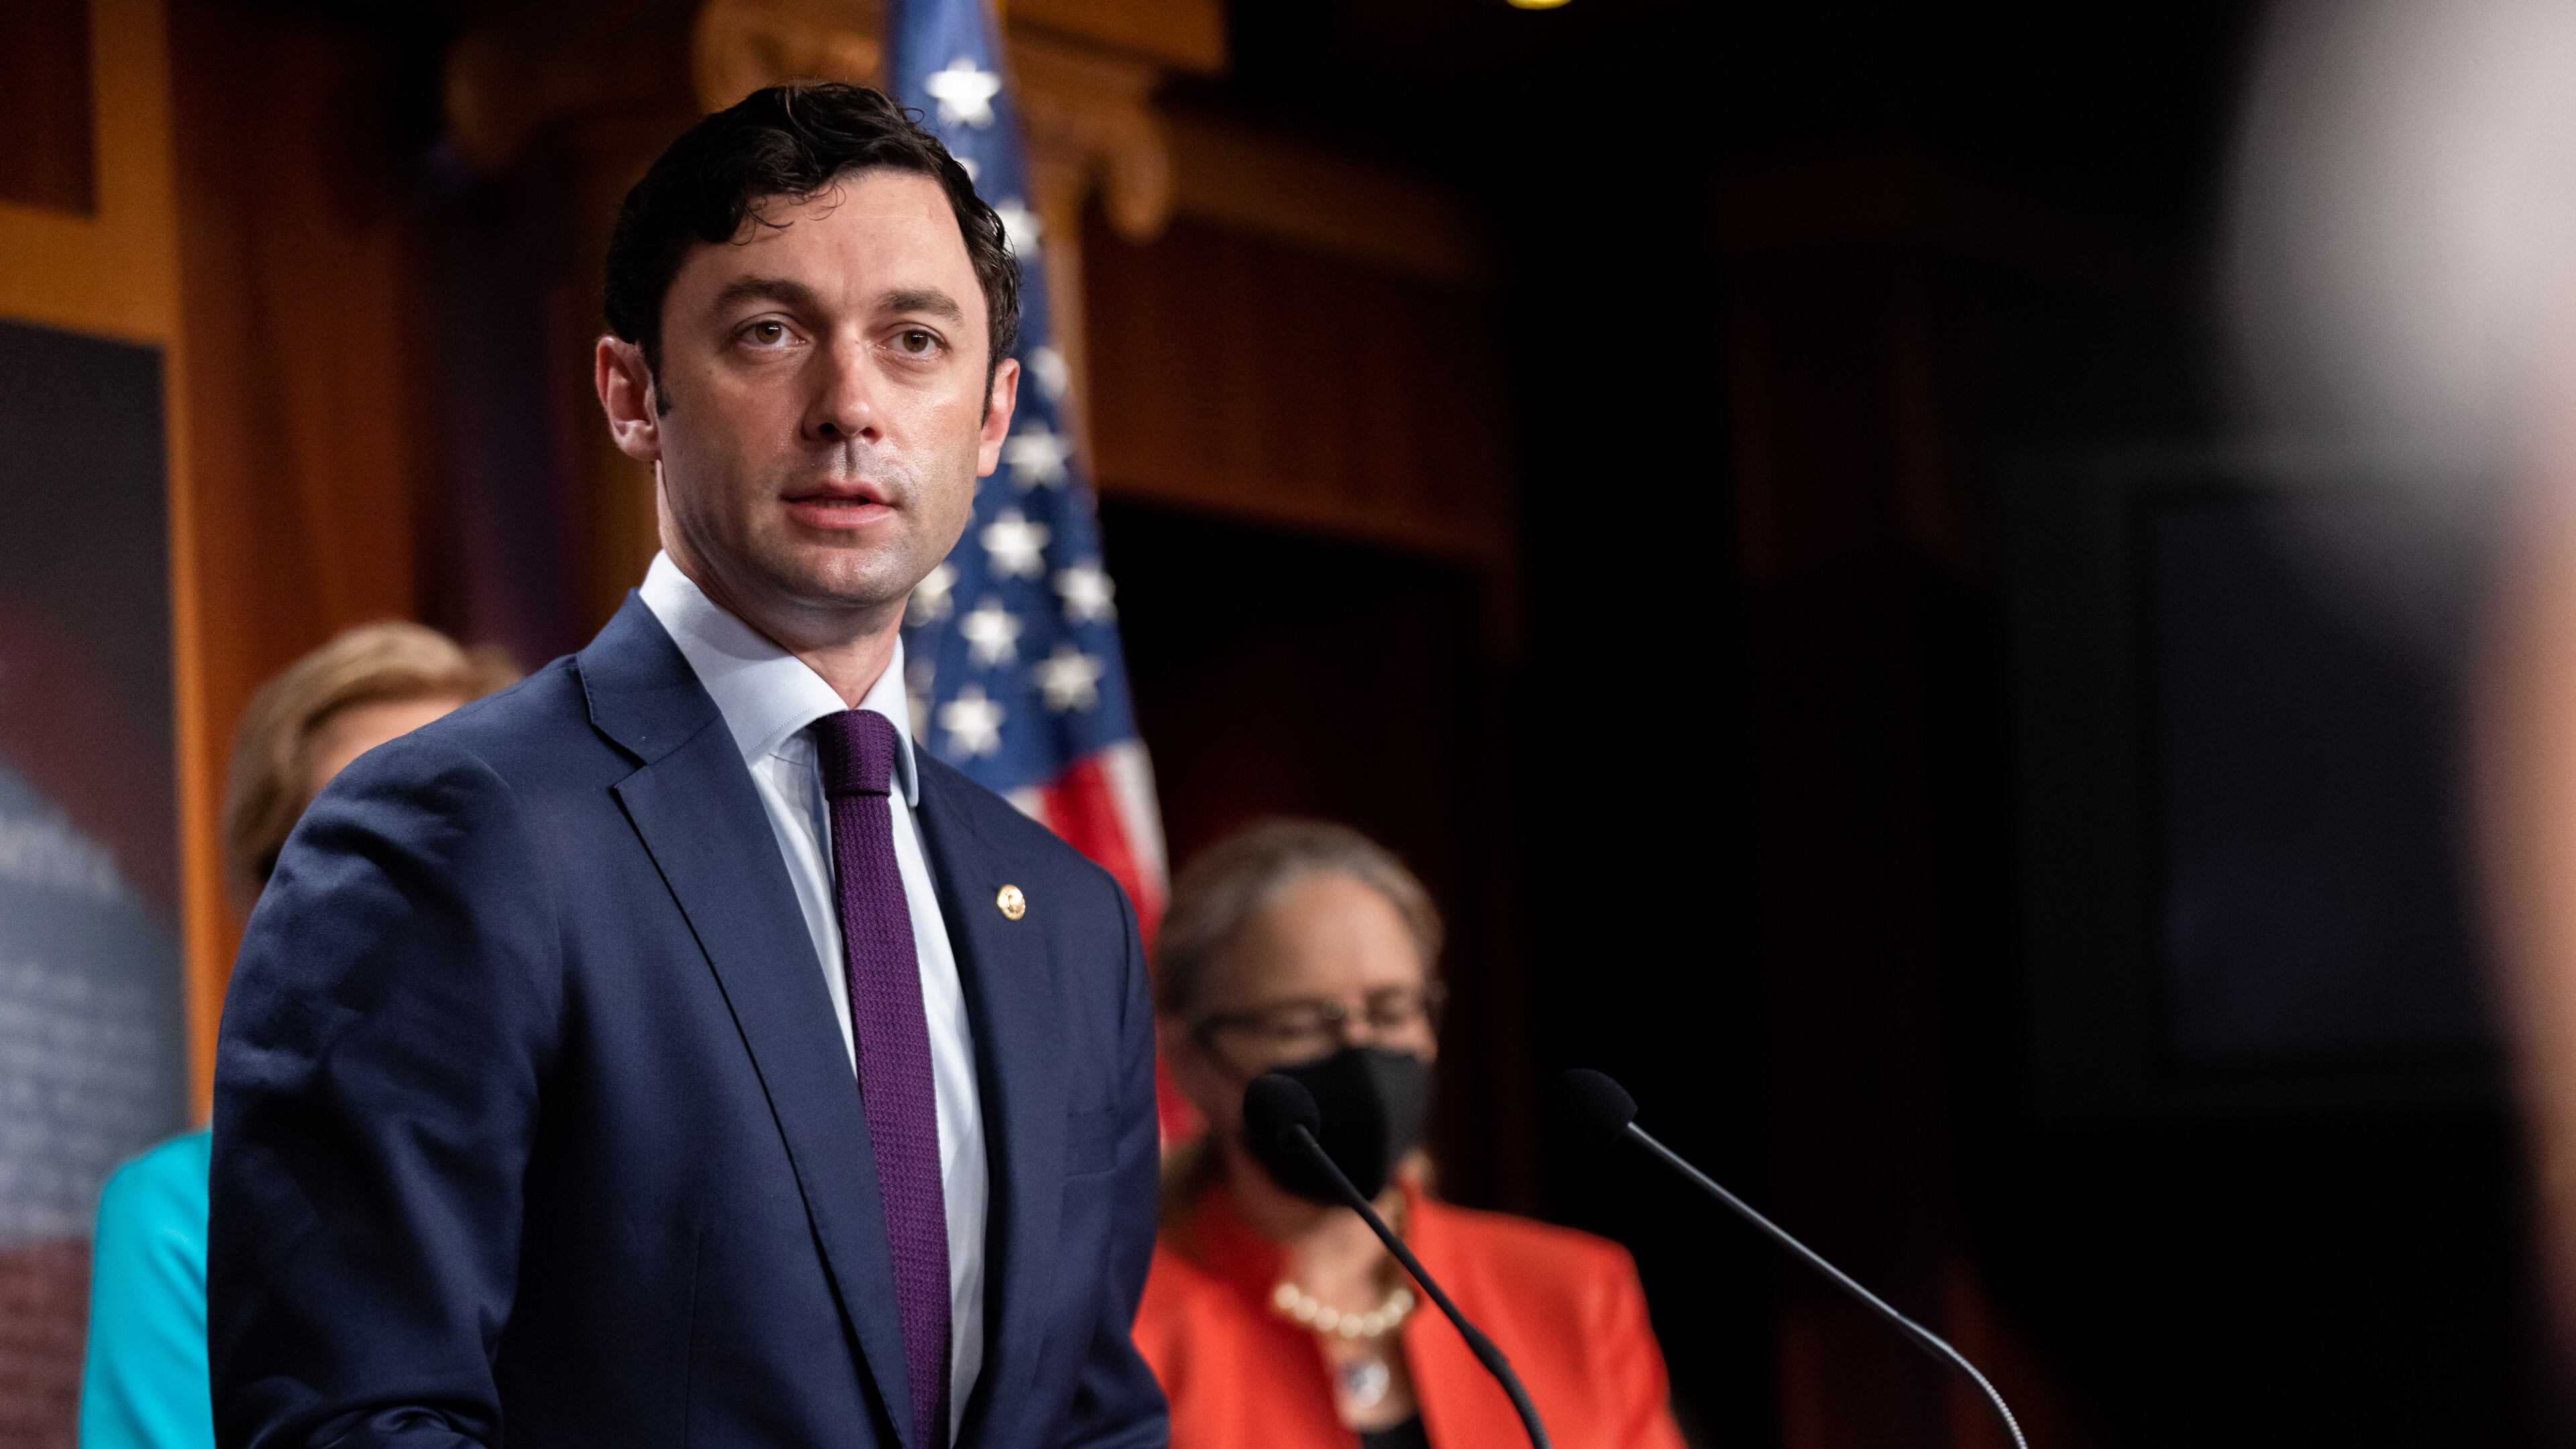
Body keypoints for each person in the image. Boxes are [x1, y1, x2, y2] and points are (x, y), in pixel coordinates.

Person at [207, 83, 1166, 1449]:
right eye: (770, 332)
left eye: (913, 340)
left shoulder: (1069, 920)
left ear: (994, 416)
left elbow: (1090, 1421)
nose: (850, 406)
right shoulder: (449, 835)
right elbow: (355, 1416)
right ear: (631, 394)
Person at [79, 621, 517, 1449]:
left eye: (468, 844)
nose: (428, 899)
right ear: (267, 902)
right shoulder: (180, 1219)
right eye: (371, 855)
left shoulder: (639, 1169)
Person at [1135, 821, 1689, 1449]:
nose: (1360, 1051)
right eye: (1300, 1023)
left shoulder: (1573, 1293)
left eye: (1392, 1010)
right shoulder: (1124, 1333)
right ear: (1188, 1059)